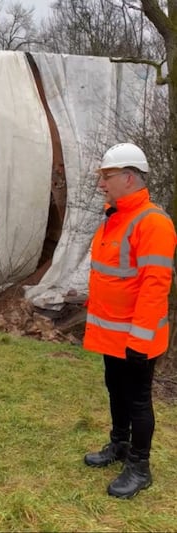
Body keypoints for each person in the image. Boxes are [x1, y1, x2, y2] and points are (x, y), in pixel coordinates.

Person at [83, 142, 176, 499]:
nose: (101, 184)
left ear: (128, 177)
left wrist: (139, 341)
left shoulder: (152, 223)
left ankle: (140, 466)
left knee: (138, 400)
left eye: (106, 177)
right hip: (112, 335)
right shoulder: (115, 217)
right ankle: (119, 444)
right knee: (115, 389)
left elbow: (155, 287)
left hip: (136, 338)